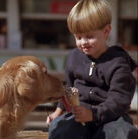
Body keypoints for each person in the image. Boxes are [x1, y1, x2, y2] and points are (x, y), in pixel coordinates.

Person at [46, 0, 138, 139]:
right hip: (79, 115)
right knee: (61, 129)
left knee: (121, 133)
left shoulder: (118, 62)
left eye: (89, 36)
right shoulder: (74, 57)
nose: (83, 42)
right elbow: (69, 88)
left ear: (106, 31)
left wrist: (93, 114)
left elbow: (119, 100)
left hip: (111, 117)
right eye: (78, 37)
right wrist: (57, 112)